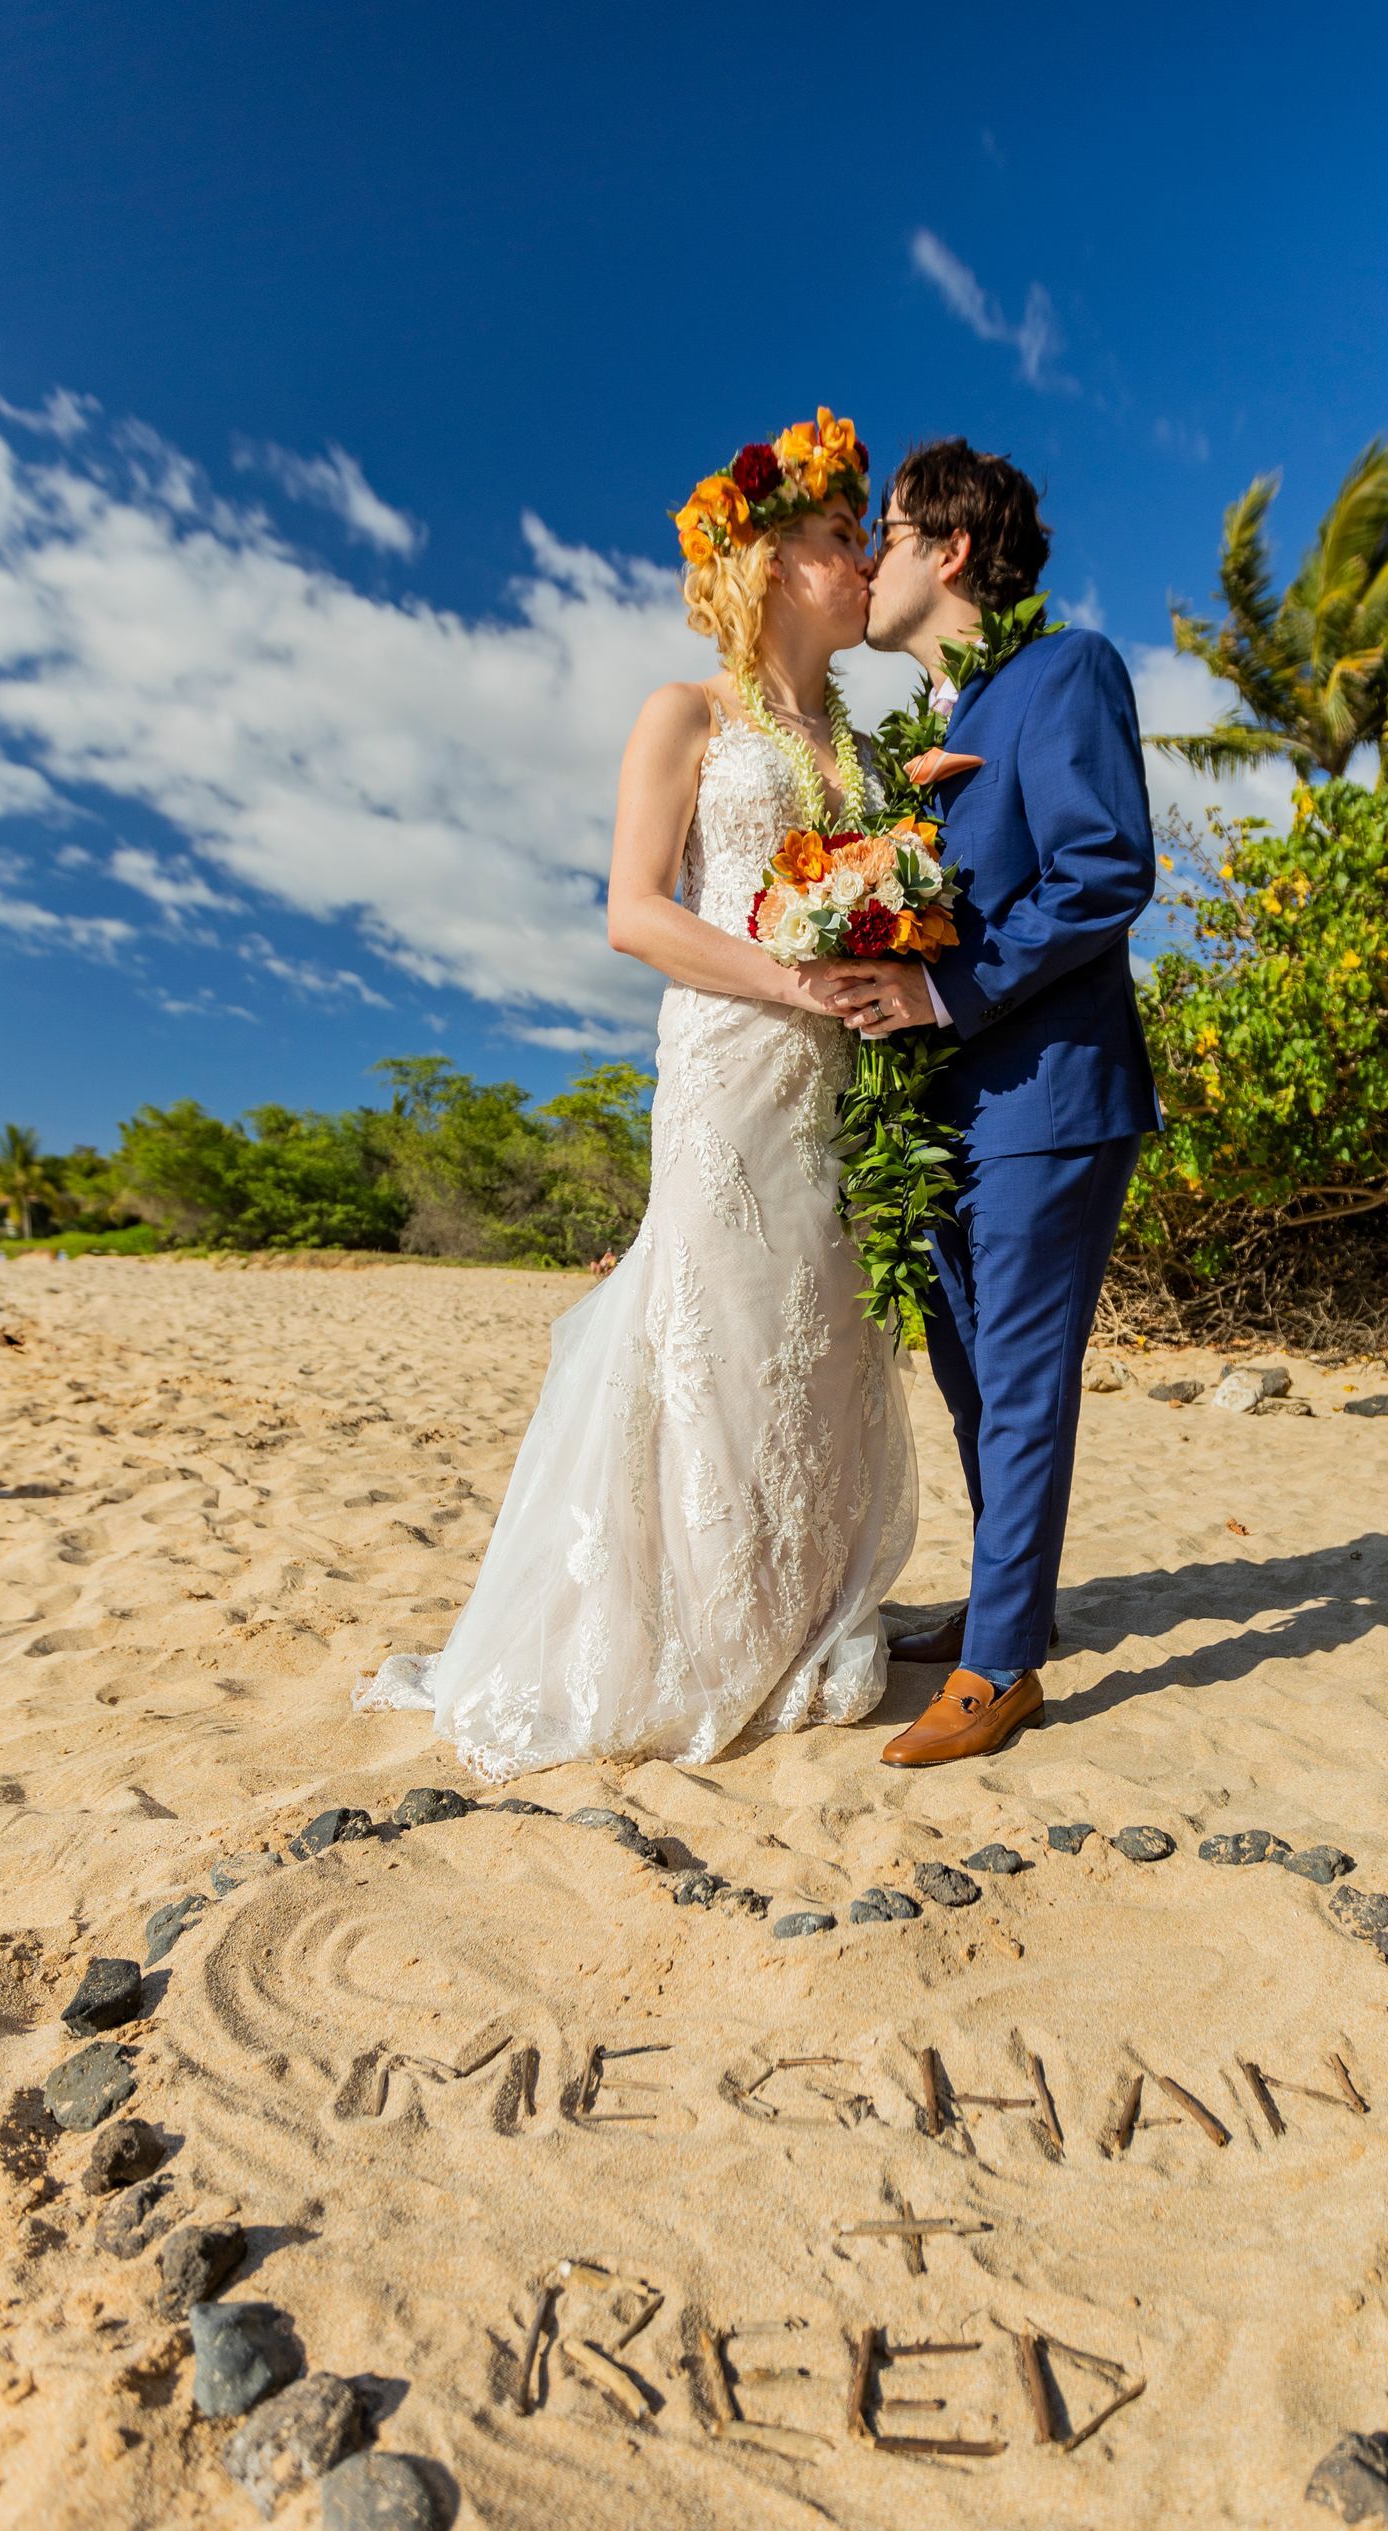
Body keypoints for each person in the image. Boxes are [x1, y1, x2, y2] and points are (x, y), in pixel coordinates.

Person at [356, 410, 916, 1776]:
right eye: (847, 539)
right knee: (718, 1335)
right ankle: (702, 1632)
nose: (867, 562)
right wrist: (791, 985)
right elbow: (631, 914)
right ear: (775, 560)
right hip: (734, 1068)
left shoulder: (863, 742)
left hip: (845, 1079)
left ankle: (793, 1610)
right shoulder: (688, 715)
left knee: (824, 1340)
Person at [831, 439, 1160, 1767]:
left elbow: (1103, 868)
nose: (865, 560)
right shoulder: (939, 735)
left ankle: (1004, 1664)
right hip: (948, 1113)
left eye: (887, 533)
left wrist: (945, 998)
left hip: (1051, 1095)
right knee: (972, 1381)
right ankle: (1003, 1604)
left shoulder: (1065, 671)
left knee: (1020, 1384)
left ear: (952, 550)